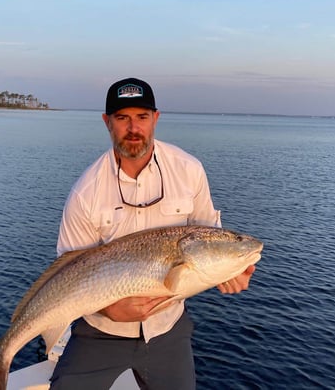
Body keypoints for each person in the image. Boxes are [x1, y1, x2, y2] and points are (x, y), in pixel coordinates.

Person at [50, 78, 256, 390]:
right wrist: (109, 308)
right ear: (107, 122)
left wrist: (230, 271)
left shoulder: (189, 171)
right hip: (101, 332)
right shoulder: (85, 193)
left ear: (156, 119)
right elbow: (69, 273)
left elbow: (208, 240)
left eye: (142, 117)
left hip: (167, 330)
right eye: (122, 118)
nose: (134, 128)